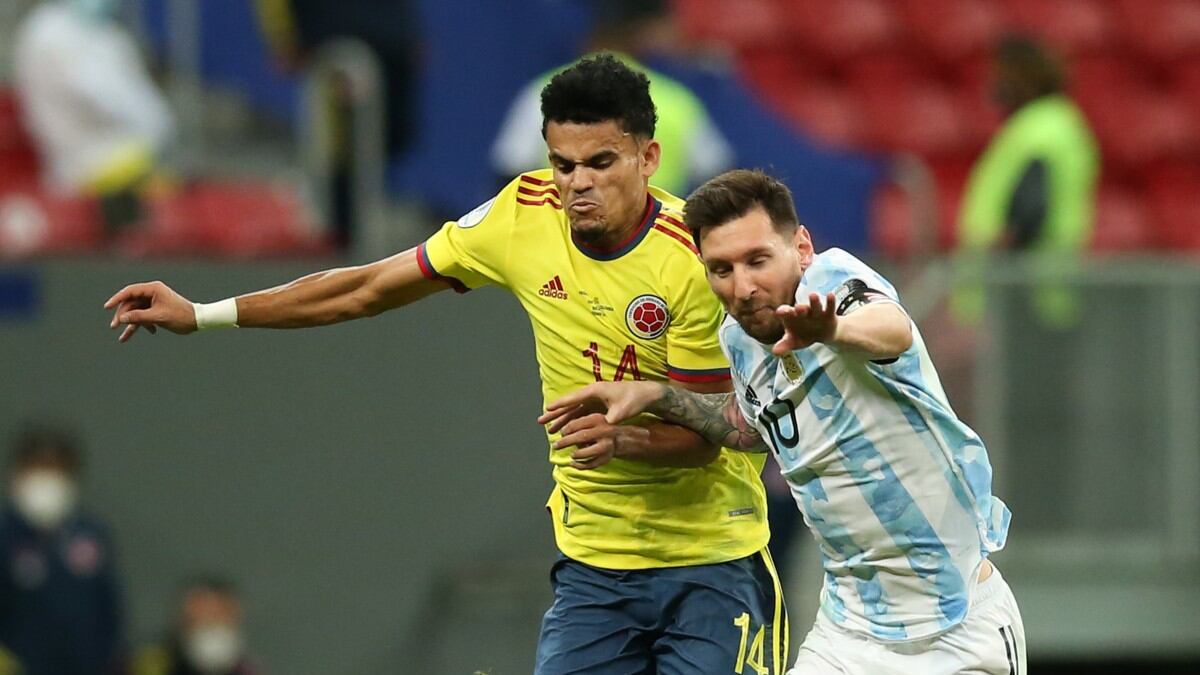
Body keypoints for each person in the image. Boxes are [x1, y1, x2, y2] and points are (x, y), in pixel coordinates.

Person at [104, 55, 783, 673]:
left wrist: (625, 439)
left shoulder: (694, 259)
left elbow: (707, 436)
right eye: (563, 163)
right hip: (594, 567)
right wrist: (205, 312)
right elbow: (367, 287)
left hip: (711, 562)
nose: (578, 183)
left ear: (648, 157)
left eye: (601, 162)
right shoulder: (523, 214)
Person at [542, 169, 1025, 674]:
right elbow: (749, 428)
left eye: (757, 260)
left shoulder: (832, 281)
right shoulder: (737, 339)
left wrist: (833, 330)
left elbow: (893, 329)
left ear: (801, 247)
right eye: (721, 269)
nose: (743, 287)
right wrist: (657, 396)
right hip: (848, 634)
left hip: (955, 629)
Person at [491, 1, 732, 197]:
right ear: (638, 35)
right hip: (655, 236)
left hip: (566, 235)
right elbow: (720, 178)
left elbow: (510, 174)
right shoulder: (676, 101)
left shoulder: (543, 93)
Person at [954, 34, 1099, 331]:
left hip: (1024, 294)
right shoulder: (1063, 122)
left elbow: (1030, 208)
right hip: (1045, 290)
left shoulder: (1039, 129)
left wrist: (999, 261)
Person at [12, 0, 175, 233]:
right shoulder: (49, 32)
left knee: (176, 200)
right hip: (82, 162)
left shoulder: (107, 34)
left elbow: (145, 103)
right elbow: (97, 95)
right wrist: (148, 124)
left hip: (127, 154)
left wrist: (155, 125)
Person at [0, 423, 125, 675]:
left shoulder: (91, 534)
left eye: (57, 470)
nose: (47, 480)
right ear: (18, 474)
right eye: (38, 469)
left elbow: (108, 609)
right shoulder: (5, 534)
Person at [133, 575, 258, 675]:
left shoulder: (246, 671)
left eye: (218, 618)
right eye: (198, 620)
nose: (209, 627)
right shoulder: (146, 666)